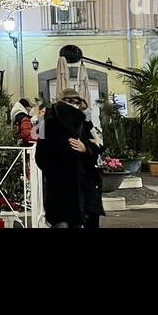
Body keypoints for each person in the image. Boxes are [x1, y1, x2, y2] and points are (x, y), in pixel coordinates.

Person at [35, 90, 99, 228]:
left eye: (76, 102)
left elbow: (95, 148)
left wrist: (85, 149)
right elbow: (40, 155)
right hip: (59, 189)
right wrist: (55, 172)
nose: (74, 105)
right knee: (62, 223)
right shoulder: (49, 122)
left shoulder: (81, 124)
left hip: (77, 189)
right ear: (62, 101)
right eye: (70, 102)